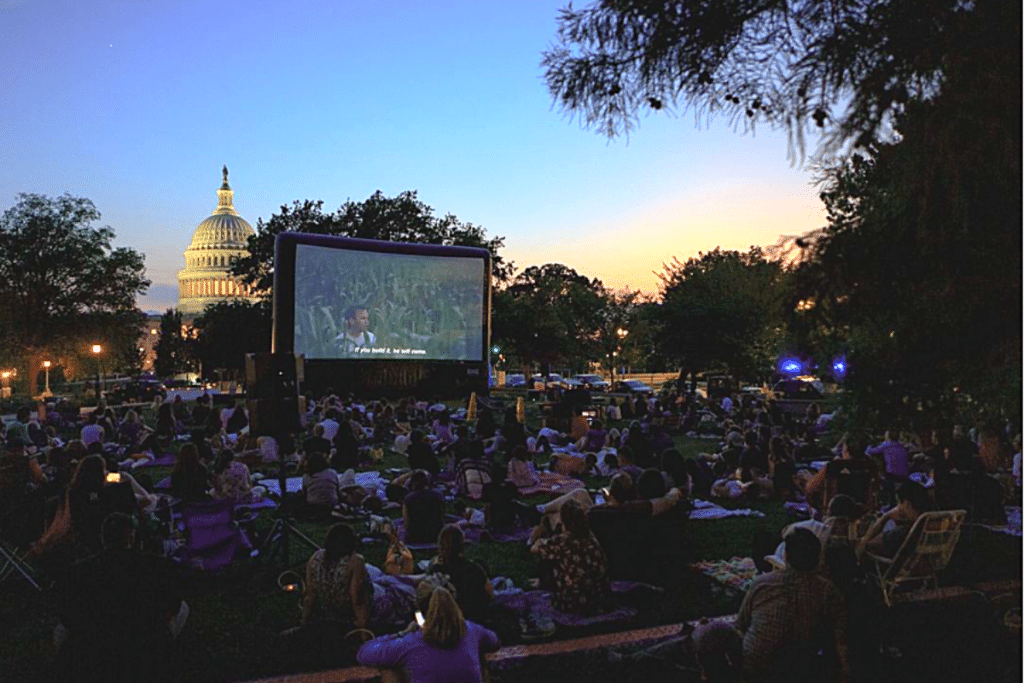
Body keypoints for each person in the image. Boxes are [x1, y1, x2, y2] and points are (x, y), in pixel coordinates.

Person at [55, 512, 187, 683]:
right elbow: (173, 604)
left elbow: (68, 616)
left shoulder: (80, 571)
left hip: (96, 642)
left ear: (102, 539)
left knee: (60, 631)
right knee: (184, 609)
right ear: (131, 537)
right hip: (146, 639)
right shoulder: (155, 565)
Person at [737, 528, 849, 683]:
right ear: (817, 558)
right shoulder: (828, 591)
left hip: (757, 666)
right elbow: (840, 639)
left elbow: (741, 624)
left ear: (786, 556)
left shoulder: (762, 583)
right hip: (798, 668)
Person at [357, 577, 500, 683]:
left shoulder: (409, 643)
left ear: (420, 613)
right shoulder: (471, 631)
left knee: (389, 668)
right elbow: (494, 641)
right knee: (480, 654)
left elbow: (364, 653)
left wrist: (403, 633)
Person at [530, 499, 610, 615]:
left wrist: (541, 541)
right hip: (600, 598)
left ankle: (542, 582)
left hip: (572, 602)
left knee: (547, 555)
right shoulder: (591, 537)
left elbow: (534, 549)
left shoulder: (561, 542)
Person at [302, 524, 372, 630]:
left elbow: (309, 595)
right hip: (348, 614)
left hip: (328, 611)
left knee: (373, 571)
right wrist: (363, 629)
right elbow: (356, 597)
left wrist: (304, 622)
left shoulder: (315, 558)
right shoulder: (355, 561)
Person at [427, 525, 493, 622]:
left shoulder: (436, 571)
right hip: (476, 618)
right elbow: (490, 593)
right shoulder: (475, 568)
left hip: (450, 620)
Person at [858, 480, 931, 558]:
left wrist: (885, 517)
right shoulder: (929, 525)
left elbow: (867, 545)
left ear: (907, 504)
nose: (898, 507)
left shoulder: (900, 533)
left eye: (899, 503)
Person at [403, 470, 446, 545]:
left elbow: (407, 523)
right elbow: (442, 516)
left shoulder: (408, 499)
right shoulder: (438, 495)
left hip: (415, 536)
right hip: (436, 535)